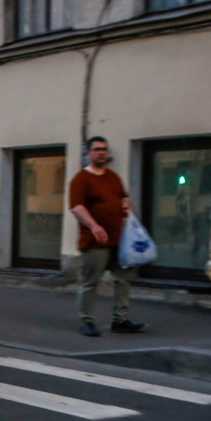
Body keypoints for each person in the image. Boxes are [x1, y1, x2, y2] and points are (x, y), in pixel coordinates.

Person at [68, 136, 146, 337]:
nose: (101, 152)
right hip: (95, 242)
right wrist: (93, 226)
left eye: (104, 149)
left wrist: (125, 203)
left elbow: (123, 196)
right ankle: (86, 320)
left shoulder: (113, 177)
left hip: (119, 240)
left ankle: (120, 320)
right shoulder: (81, 179)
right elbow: (76, 207)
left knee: (123, 279)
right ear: (89, 153)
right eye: (96, 149)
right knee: (91, 282)